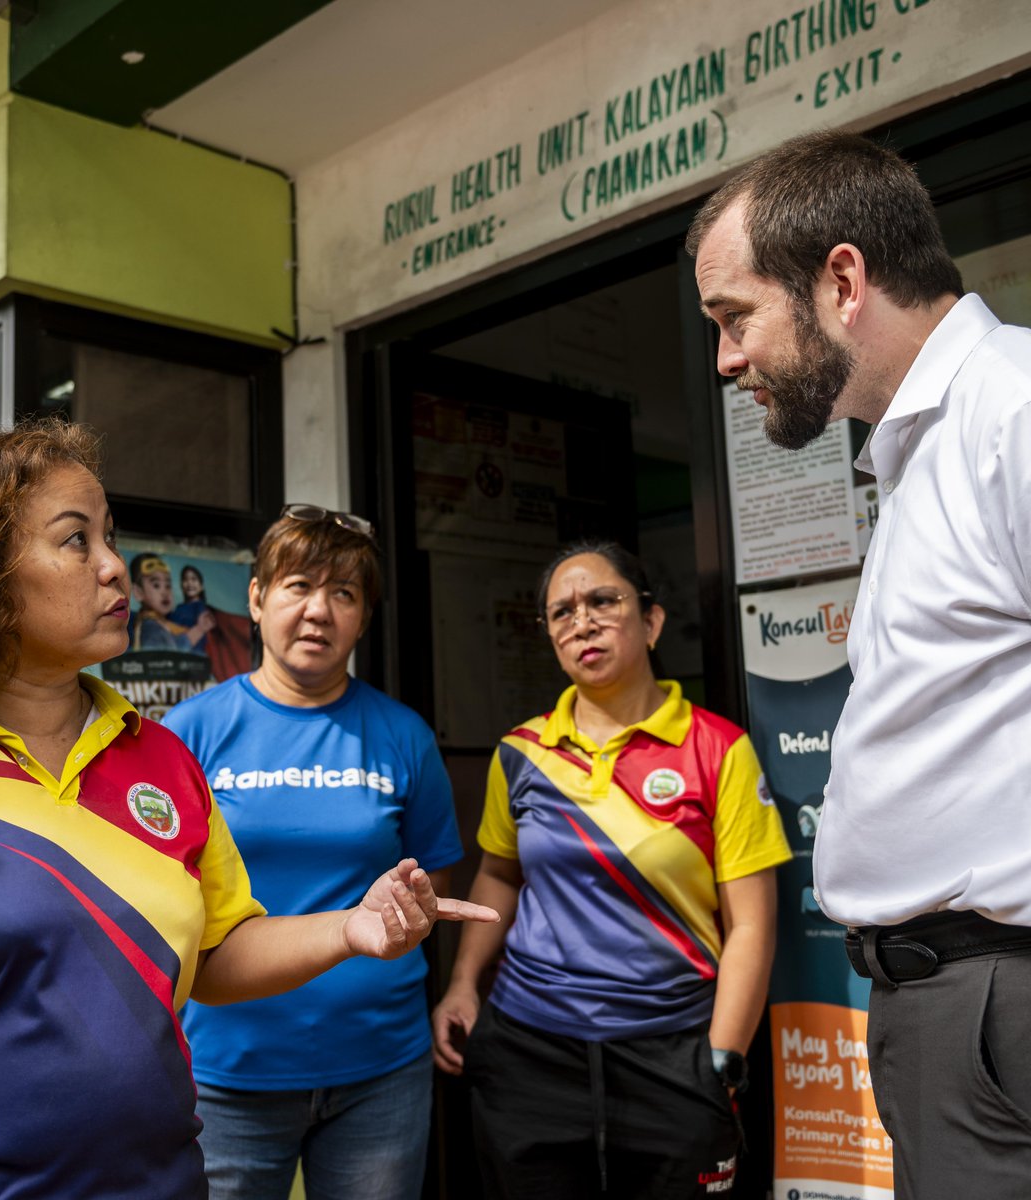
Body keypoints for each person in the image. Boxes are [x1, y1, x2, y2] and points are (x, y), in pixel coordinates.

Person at [0, 422, 497, 1199]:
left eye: (109, 538)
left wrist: (351, 928)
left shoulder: (161, 758)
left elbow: (216, 955)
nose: (117, 568)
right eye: (76, 541)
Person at [687, 128, 1031, 1199]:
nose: (725, 359)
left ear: (841, 279)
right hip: (952, 1008)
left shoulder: (1010, 413)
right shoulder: (920, 446)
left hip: (996, 1000)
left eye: (735, 316)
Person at [432, 540, 791, 1199]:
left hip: (673, 1052)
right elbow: (500, 876)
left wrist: (721, 1059)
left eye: (603, 601)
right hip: (529, 1054)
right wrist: (462, 983)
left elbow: (752, 926)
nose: (582, 621)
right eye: (561, 612)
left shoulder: (718, 749)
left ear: (651, 621)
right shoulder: (521, 752)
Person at [162, 503, 464, 1200]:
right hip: (227, 1070)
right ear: (258, 598)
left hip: (380, 1068)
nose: (318, 611)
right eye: (298, 586)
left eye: (344, 594)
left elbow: (429, 880)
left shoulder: (403, 735)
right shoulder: (191, 732)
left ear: (363, 616)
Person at [129, 551, 215, 652]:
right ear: (138, 592)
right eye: (156, 585)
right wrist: (199, 629)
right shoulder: (151, 627)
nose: (165, 592)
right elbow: (172, 653)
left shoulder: (162, 623)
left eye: (168, 585)